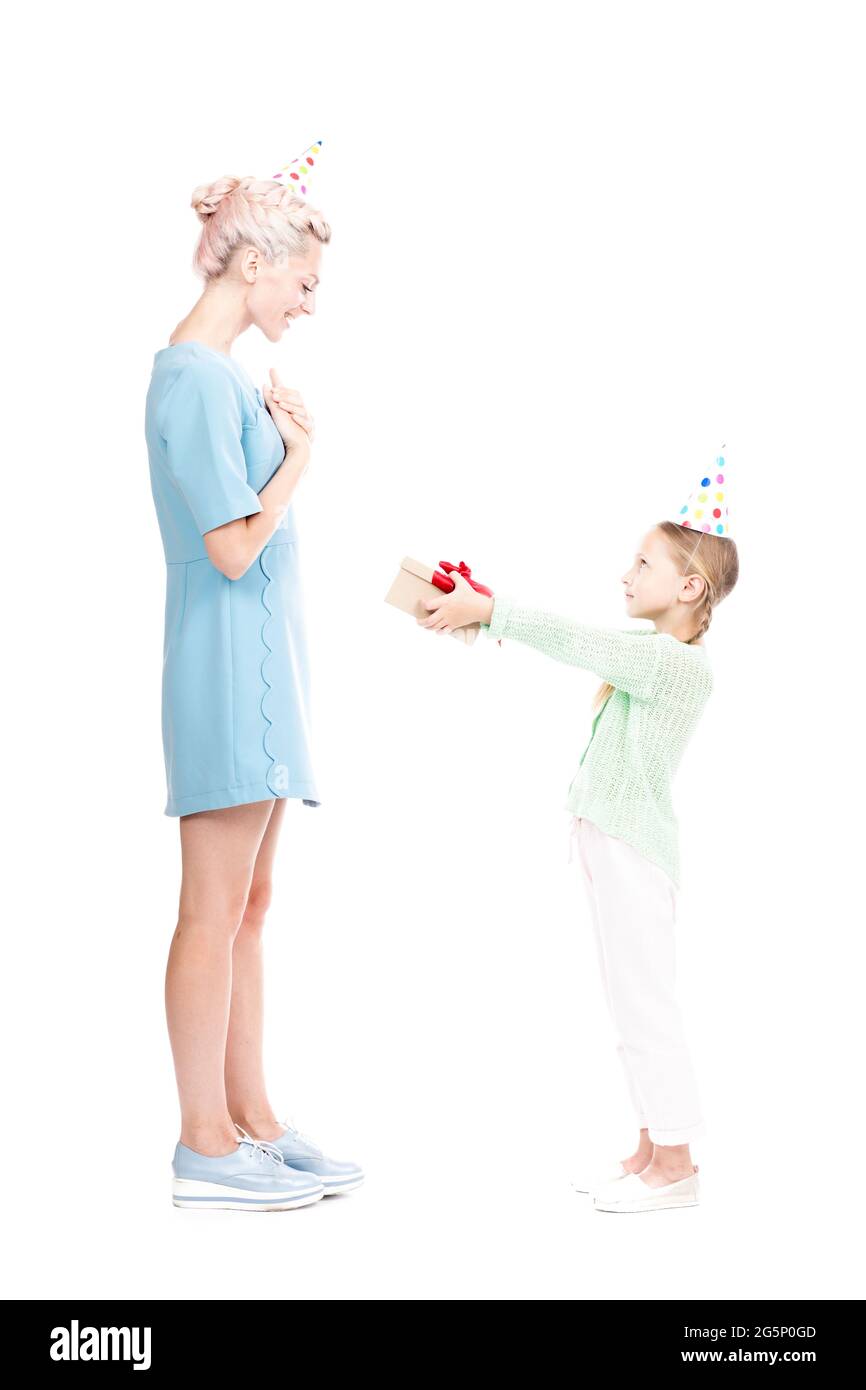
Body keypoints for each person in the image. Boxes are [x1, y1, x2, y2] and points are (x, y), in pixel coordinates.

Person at [417, 465, 738, 1213]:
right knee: (628, 1004)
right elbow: (581, 644)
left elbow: (570, 638)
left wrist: (493, 611)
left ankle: (677, 1165)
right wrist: (486, 615)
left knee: (644, 1005)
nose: (626, 575)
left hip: (632, 850)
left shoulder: (672, 663)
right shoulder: (652, 654)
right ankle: (651, 1149)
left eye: (643, 564)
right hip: (610, 844)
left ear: (689, 588)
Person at [144, 163, 363, 1211]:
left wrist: (284, 452)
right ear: (257, 262)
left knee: (252, 904)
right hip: (224, 665)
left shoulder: (223, 375)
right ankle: (202, 1142)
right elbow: (230, 547)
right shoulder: (190, 374)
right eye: (306, 284)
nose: (307, 304)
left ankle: (253, 1124)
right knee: (213, 906)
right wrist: (298, 462)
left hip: (261, 663)